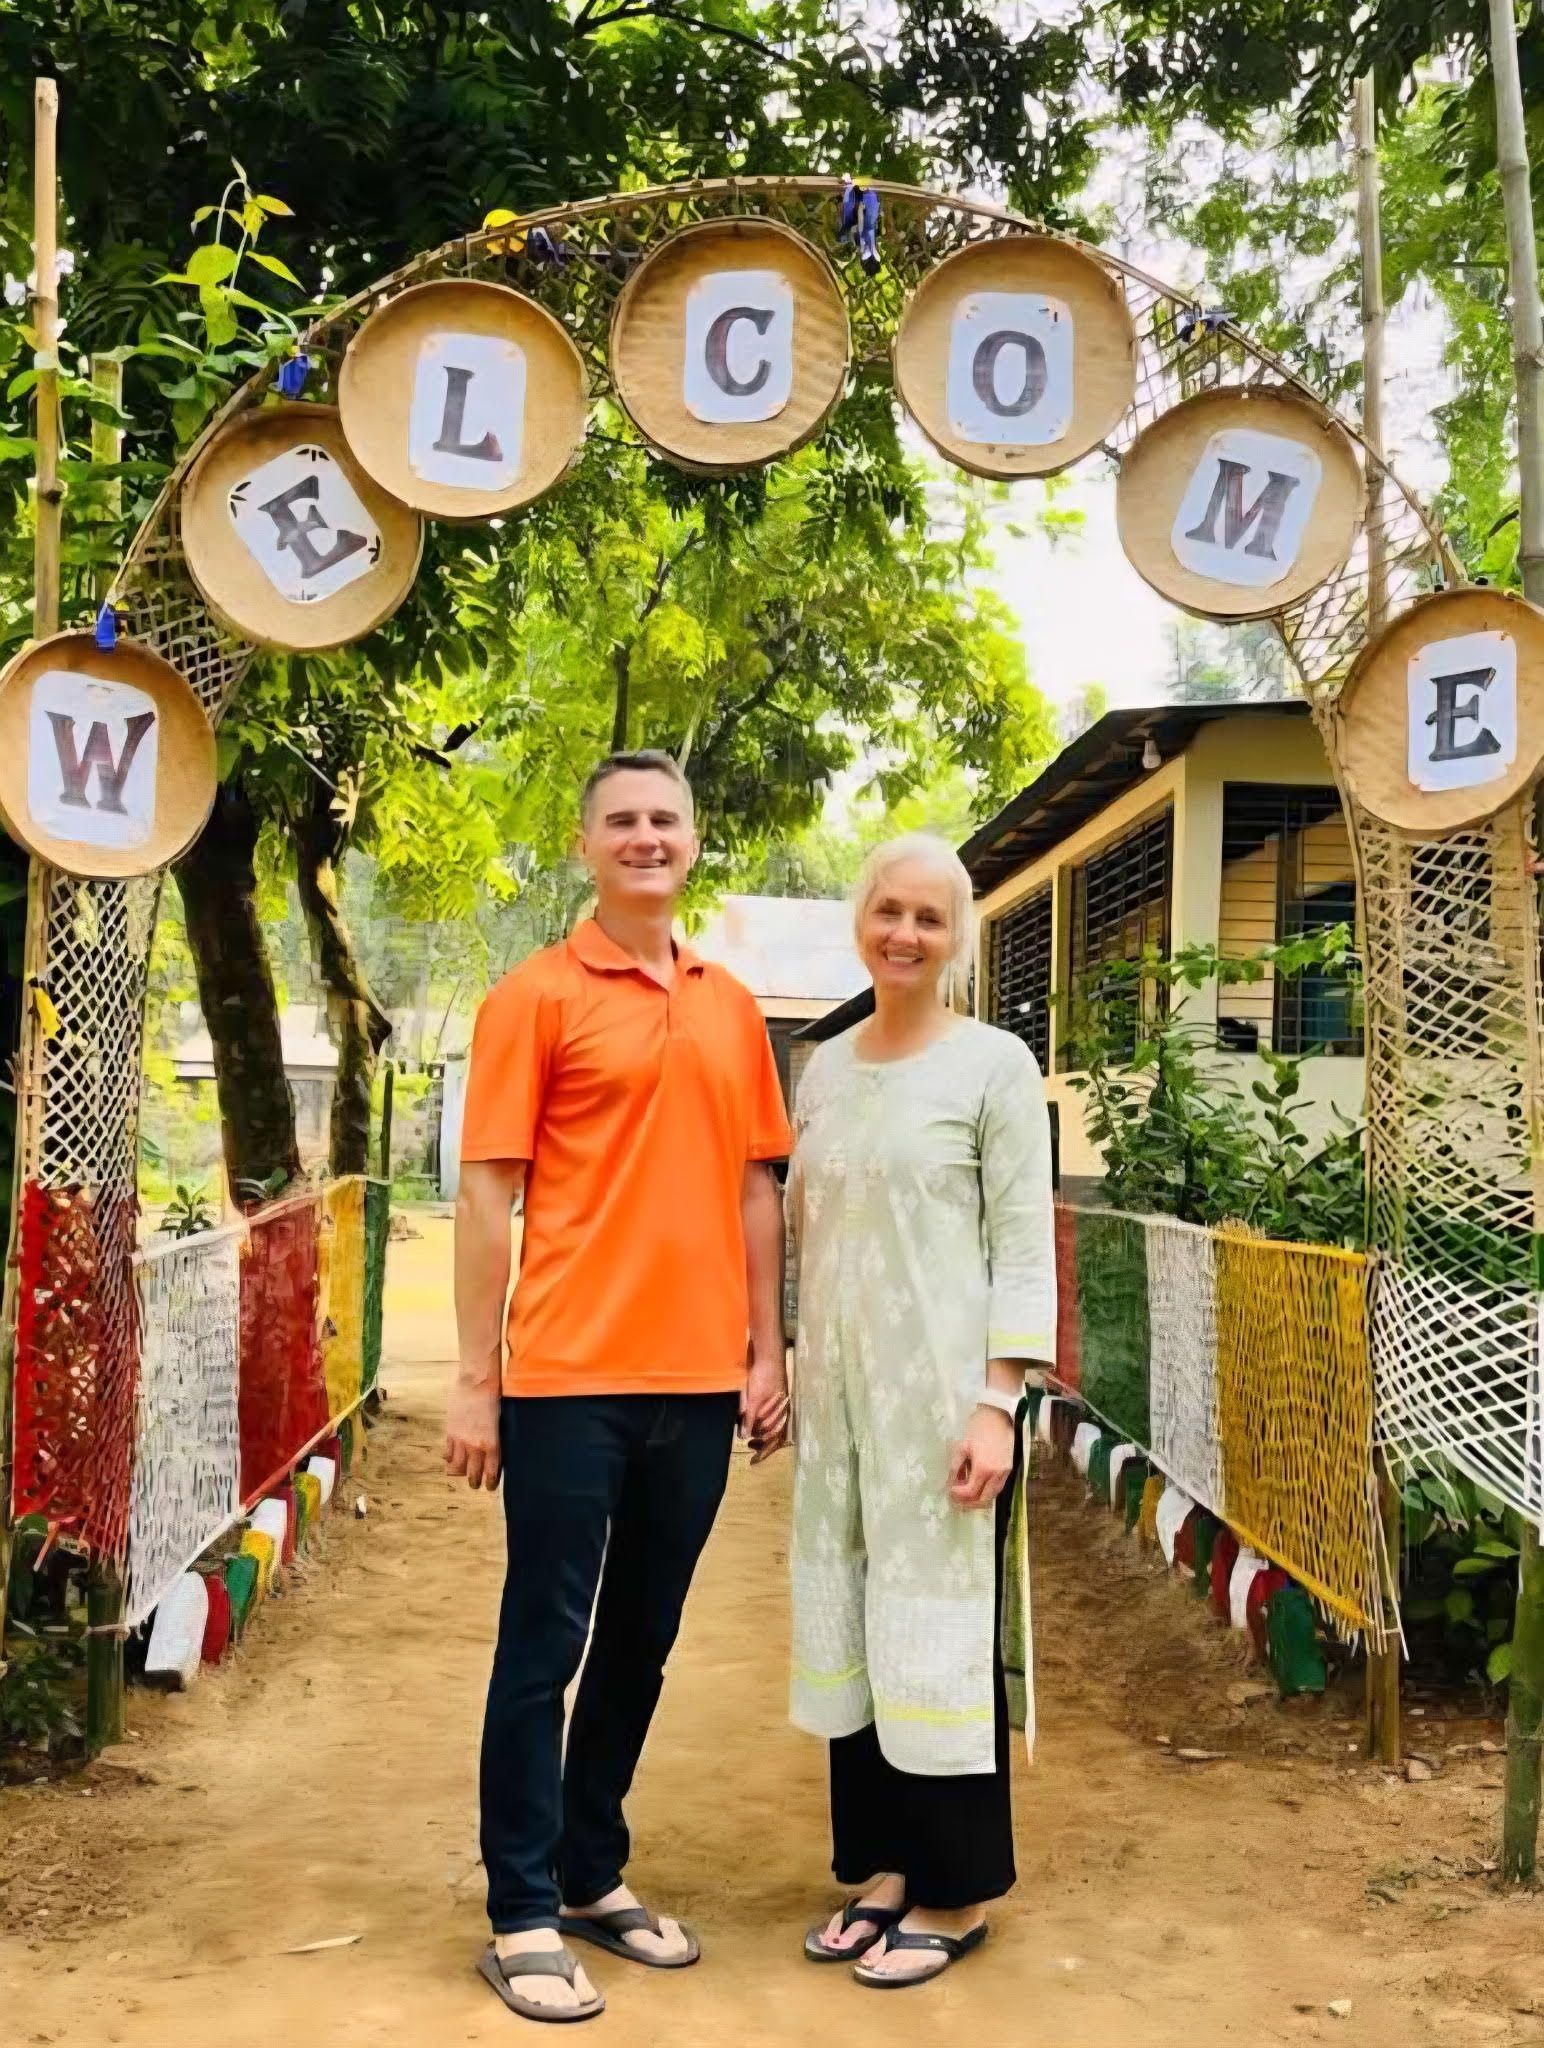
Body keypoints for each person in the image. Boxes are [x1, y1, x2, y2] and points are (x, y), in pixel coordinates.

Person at [449, 750, 792, 2025]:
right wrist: (477, 1381)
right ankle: (520, 1906)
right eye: (621, 822)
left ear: (693, 842)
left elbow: (758, 1184)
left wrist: (768, 1347)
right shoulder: (531, 997)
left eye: (665, 820)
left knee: (641, 1641)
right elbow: (488, 1196)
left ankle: (592, 1868)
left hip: (699, 1380)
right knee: (544, 1642)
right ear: (586, 845)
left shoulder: (730, 1004)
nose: (645, 838)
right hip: (565, 1379)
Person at [786, 832, 1055, 1989]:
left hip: (948, 1403)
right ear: (860, 917)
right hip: (839, 1403)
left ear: (958, 937)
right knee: (854, 1616)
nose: (902, 932)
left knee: (939, 1635)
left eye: (928, 917)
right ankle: (881, 1870)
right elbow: (810, 1235)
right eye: (885, 908)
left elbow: (1022, 1243)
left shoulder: (994, 1064)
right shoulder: (825, 1065)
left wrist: (999, 1400)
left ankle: (950, 1890)